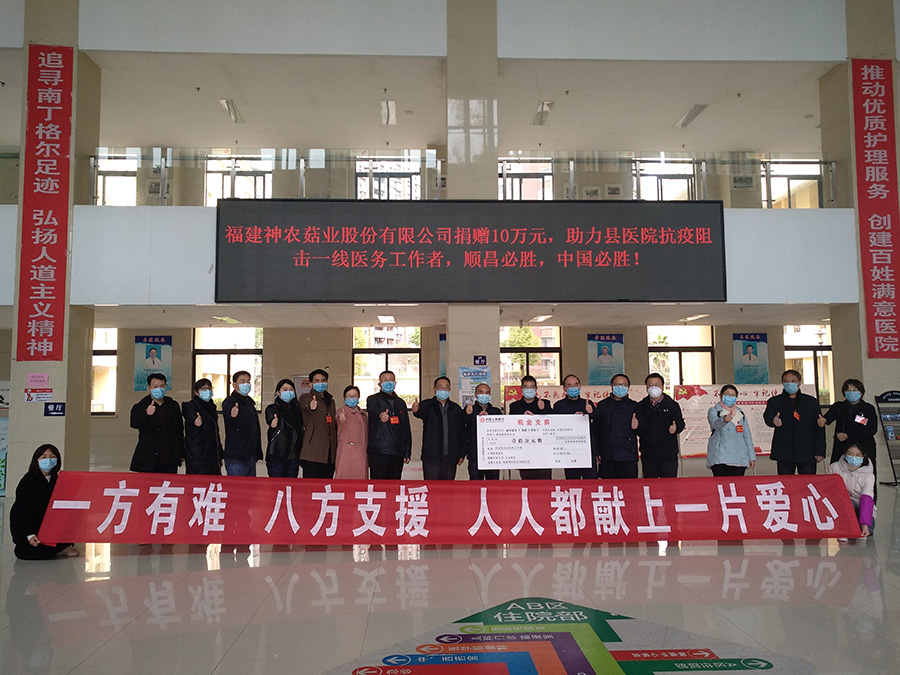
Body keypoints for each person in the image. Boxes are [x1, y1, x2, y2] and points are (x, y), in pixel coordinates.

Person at [9, 444, 78, 560]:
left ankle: (63, 545)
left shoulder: (59, 480)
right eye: (44, 457)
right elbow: (22, 511)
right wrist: (30, 534)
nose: (48, 460)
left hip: (51, 526)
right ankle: (56, 547)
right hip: (33, 527)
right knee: (28, 552)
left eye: (52, 457)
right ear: (37, 461)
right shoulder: (27, 481)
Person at [763, 369, 826, 475]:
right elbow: (767, 417)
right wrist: (773, 420)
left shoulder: (811, 402)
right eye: (786, 381)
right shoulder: (775, 401)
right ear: (782, 383)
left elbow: (819, 427)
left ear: (799, 382)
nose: (790, 384)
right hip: (784, 451)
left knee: (807, 482)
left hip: (807, 450)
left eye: (793, 381)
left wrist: (820, 451)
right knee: (786, 482)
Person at [412, 376, 467, 480]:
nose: (444, 390)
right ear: (435, 389)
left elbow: (461, 432)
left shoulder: (455, 408)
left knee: (447, 487)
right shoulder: (428, 405)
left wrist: (462, 454)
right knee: (431, 487)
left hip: (451, 457)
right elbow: (420, 412)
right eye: (440, 387)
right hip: (431, 457)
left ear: (450, 389)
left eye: (446, 387)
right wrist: (416, 410)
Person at [129, 372, 184, 473]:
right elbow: (134, 423)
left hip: (169, 457)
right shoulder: (141, 405)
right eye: (155, 386)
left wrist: (181, 453)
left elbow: (179, 430)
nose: (159, 389)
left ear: (165, 387)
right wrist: (145, 413)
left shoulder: (172, 405)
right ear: (148, 388)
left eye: (162, 386)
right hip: (148, 458)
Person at [820, 378, 879, 471]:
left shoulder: (868, 408)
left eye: (855, 390)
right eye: (848, 390)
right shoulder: (839, 406)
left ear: (861, 393)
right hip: (842, 447)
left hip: (863, 446)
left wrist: (849, 436)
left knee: (865, 473)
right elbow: (828, 417)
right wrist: (823, 420)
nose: (851, 393)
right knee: (840, 472)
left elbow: (872, 429)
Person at [635, 373, 685, 478]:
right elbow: (639, 429)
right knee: (650, 485)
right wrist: (635, 427)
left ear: (662, 387)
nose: (653, 387)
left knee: (669, 485)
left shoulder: (672, 405)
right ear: (646, 387)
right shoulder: (640, 406)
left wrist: (676, 428)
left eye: (657, 385)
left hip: (668, 454)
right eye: (650, 385)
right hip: (648, 454)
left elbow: (680, 424)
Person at [365, 370, 411, 479]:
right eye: (385, 380)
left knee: (394, 484)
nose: (388, 382)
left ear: (395, 383)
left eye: (391, 380)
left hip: (397, 451)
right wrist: (380, 414)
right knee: (379, 484)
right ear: (379, 384)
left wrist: (407, 451)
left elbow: (406, 428)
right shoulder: (373, 399)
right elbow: (373, 409)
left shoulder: (400, 403)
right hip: (379, 451)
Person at [592, 373, 640, 479]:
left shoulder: (634, 406)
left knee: (628, 487)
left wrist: (637, 426)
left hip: (628, 457)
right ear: (611, 386)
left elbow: (643, 430)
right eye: (617, 384)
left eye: (624, 385)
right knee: (608, 487)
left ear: (628, 387)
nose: (620, 387)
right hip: (607, 456)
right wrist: (597, 451)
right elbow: (596, 429)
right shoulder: (602, 405)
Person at [553, 374, 597, 479]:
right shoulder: (559, 406)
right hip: (569, 451)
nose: (573, 388)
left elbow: (597, 423)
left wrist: (591, 412)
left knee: (591, 483)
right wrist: (572, 420)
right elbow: (555, 427)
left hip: (587, 451)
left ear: (580, 387)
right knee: (573, 483)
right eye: (569, 385)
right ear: (564, 389)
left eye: (576, 385)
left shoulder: (587, 403)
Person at [508, 375, 553, 479]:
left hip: (543, 451)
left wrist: (542, 410)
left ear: (536, 388)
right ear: (521, 389)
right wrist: (522, 418)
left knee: (545, 482)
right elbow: (511, 426)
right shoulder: (515, 406)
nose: (529, 390)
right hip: (524, 451)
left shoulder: (545, 403)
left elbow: (553, 423)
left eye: (532, 387)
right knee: (527, 482)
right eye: (526, 387)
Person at [706, 385, 756, 476]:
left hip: (739, 458)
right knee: (722, 484)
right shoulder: (714, 411)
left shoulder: (740, 413)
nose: (730, 397)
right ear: (721, 396)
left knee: (738, 484)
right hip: (720, 458)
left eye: (733, 395)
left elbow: (747, 436)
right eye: (727, 395)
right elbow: (715, 425)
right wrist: (724, 420)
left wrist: (751, 457)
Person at [828, 443, 875, 538]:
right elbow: (828, 488)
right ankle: (843, 528)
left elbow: (866, 498)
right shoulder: (835, 467)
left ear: (864, 455)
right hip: (842, 502)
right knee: (848, 504)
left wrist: (865, 525)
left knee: (868, 528)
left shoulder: (869, 475)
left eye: (858, 455)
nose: (853, 458)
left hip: (860, 503)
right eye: (850, 454)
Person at [221, 370, 262, 476]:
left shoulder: (249, 403)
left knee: (249, 486)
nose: (246, 384)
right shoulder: (230, 401)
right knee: (236, 485)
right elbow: (229, 414)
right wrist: (232, 414)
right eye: (242, 381)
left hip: (251, 454)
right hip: (237, 455)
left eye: (248, 381)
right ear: (234, 385)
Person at [298, 368, 337, 478]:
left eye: (323, 380)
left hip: (329, 453)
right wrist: (311, 405)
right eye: (317, 381)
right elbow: (305, 404)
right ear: (311, 384)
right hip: (312, 453)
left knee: (326, 486)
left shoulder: (331, 401)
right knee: (311, 486)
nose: (320, 383)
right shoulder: (306, 397)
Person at [181, 378, 223, 475]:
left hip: (212, 455)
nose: (207, 391)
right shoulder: (191, 406)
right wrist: (195, 421)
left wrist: (220, 454)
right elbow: (190, 416)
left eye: (209, 388)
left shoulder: (212, 406)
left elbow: (215, 432)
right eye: (203, 389)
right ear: (196, 392)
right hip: (197, 457)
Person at [264, 378, 304, 478]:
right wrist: (273, 422)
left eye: (291, 389)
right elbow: (270, 418)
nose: (288, 392)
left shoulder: (297, 409)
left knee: (290, 485)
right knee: (276, 485)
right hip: (277, 454)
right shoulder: (272, 408)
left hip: (294, 456)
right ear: (278, 392)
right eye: (285, 389)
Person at [465, 382, 502, 480]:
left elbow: (502, 430)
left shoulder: (496, 411)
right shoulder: (469, 410)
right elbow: (463, 428)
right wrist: (468, 415)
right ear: (476, 395)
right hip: (475, 456)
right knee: (476, 485)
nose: (484, 395)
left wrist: (489, 420)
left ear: (490, 395)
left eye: (487, 393)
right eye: (481, 392)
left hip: (493, 456)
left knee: (493, 485)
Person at [336, 385, 369, 479]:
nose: (352, 398)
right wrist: (341, 418)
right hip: (346, 453)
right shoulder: (341, 411)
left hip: (361, 452)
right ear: (344, 398)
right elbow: (339, 418)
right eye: (349, 396)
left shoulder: (363, 414)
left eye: (355, 396)